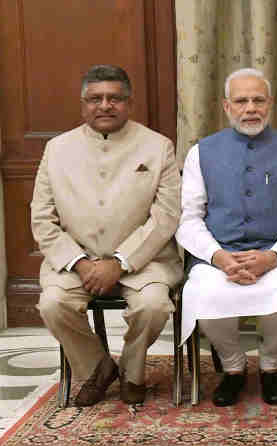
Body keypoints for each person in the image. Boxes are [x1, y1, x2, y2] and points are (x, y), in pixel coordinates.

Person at [31, 65, 182, 406]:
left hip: (146, 260)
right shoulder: (57, 149)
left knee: (154, 305)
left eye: (114, 98)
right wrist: (81, 263)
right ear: (82, 104)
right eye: (95, 99)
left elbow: (166, 215)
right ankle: (97, 367)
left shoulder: (158, 147)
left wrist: (121, 261)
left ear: (129, 103)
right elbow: (42, 218)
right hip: (74, 261)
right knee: (53, 304)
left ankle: (132, 370)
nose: (105, 106)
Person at [176, 68, 277, 407]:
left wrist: (273, 257)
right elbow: (188, 219)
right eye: (241, 101)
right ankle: (233, 366)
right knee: (204, 290)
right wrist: (219, 257)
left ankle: (271, 365)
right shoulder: (201, 152)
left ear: (270, 104)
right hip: (218, 256)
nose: (250, 108)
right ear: (226, 106)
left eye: (258, 100)